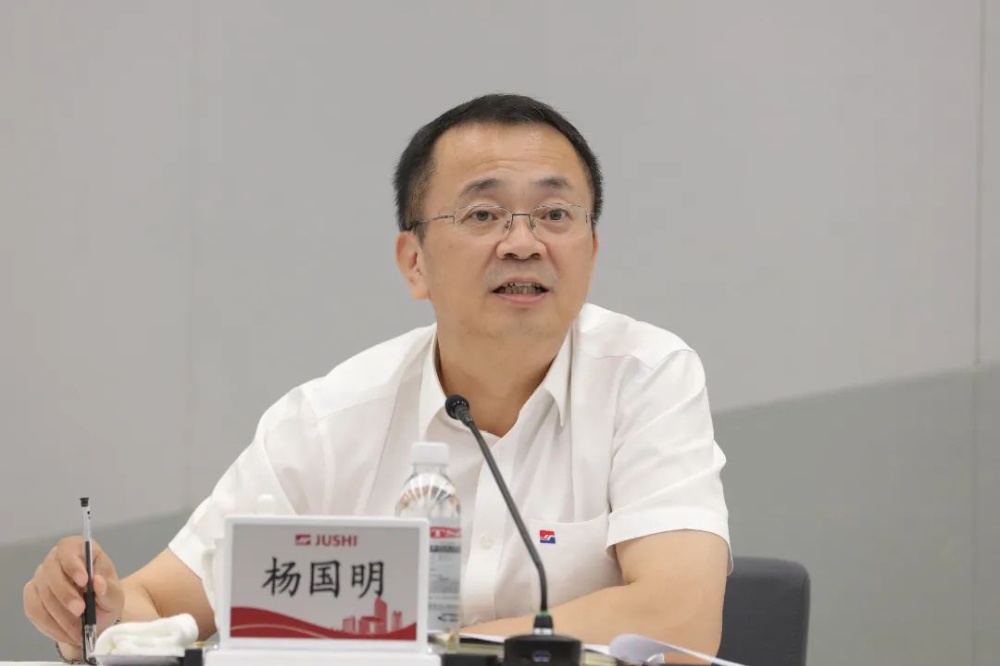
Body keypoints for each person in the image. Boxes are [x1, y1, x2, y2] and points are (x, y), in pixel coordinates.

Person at [24, 94, 731, 662]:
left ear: (592, 250)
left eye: (554, 214)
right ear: (414, 262)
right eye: (483, 214)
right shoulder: (330, 423)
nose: (524, 242)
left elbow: (679, 620)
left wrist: (428, 656)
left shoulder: (647, 378)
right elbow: (155, 603)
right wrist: (93, 609)